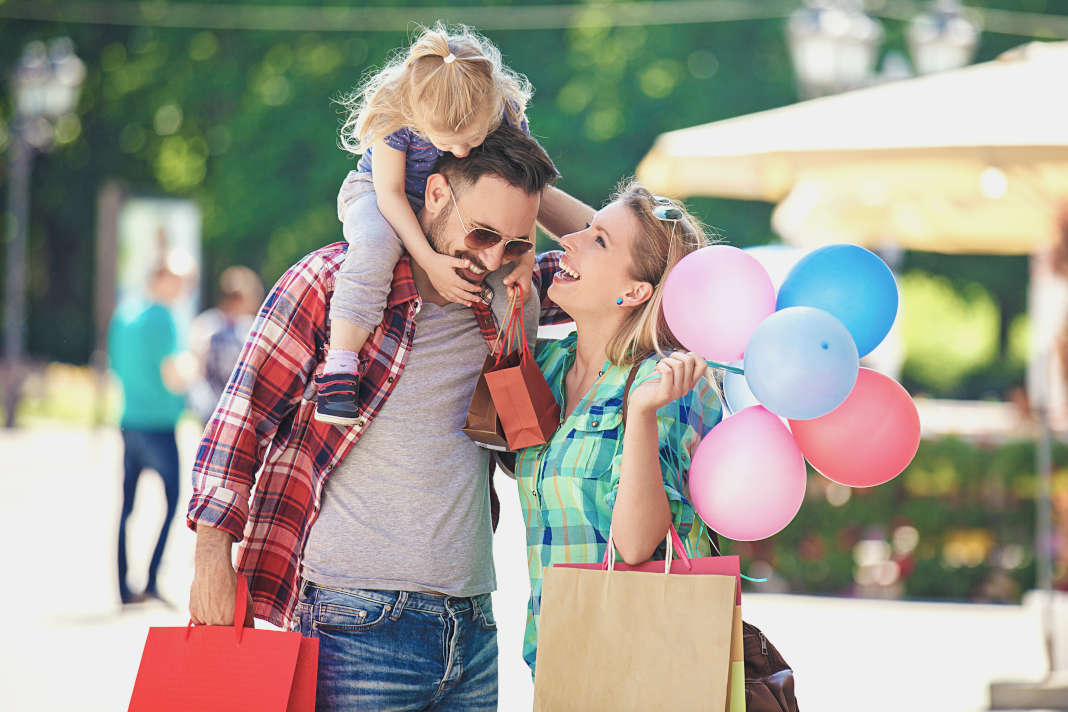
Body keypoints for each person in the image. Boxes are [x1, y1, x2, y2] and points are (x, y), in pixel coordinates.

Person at [186, 125, 590, 711]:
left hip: (472, 630)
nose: (491, 258)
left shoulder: (510, 290)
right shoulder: (332, 283)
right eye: (481, 232)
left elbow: (649, 265)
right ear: (433, 195)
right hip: (353, 627)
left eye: (514, 243)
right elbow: (238, 423)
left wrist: (528, 181)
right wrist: (211, 560)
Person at [317, 22, 575, 425]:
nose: (460, 150)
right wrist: (430, 261)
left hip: (457, 205)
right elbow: (391, 194)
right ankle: (340, 365)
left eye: (472, 140)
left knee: (519, 291)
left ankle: (514, 404)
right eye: (446, 142)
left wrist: (523, 254)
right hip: (381, 194)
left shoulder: (503, 109)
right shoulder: (396, 110)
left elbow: (525, 191)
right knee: (375, 249)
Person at [513, 181, 723, 673]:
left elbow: (635, 544)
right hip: (558, 658)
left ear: (635, 292)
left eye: (598, 240)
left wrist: (643, 415)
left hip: (645, 669)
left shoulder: (666, 381)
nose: (569, 240)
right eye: (585, 229)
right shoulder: (545, 364)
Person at [108, 251, 196, 605]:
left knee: (127, 508)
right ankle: (151, 579)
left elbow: (115, 366)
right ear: (162, 278)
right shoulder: (163, 318)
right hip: (160, 425)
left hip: (129, 422)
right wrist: (191, 369)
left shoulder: (124, 314)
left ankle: (123, 588)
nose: (184, 289)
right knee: (174, 499)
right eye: (180, 281)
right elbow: (173, 376)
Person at [187, 266, 264, 423]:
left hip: (239, 403)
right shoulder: (208, 325)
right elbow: (197, 364)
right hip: (214, 403)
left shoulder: (249, 325)